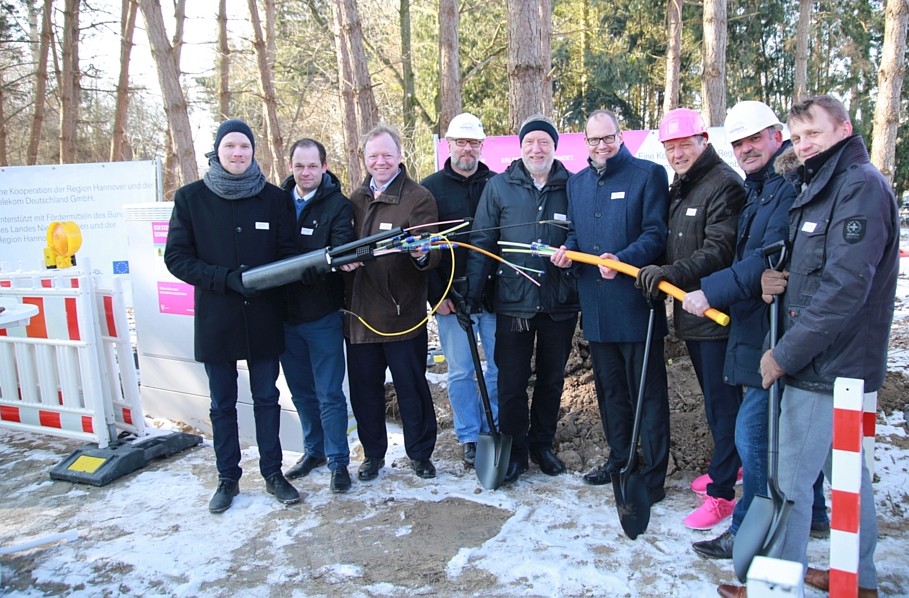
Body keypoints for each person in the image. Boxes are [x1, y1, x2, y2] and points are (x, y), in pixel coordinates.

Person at [719, 95, 898, 598]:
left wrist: (784, 354)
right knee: (845, 475)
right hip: (829, 358)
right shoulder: (826, 184)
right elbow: (824, 270)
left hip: (827, 363)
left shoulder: (859, 187)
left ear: (843, 128)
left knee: (788, 479)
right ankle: (854, 579)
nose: (804, 144)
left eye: (813, 133)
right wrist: (785, 277)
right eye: (797, 138)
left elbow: (845, 288)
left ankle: (774, 583)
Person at [164, 119, 301, 513]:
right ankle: (228, 478)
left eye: (244, 146)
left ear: (253, 151)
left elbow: (288, 253)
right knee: (222, 403)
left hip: (263, 317)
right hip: (217, 318)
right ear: (217, 151)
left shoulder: (275, 200)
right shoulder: (191, 199)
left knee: (266, 397)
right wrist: (225, 279)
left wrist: (272, 277)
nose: (237, 153)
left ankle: (274, 474)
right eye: (230, 146)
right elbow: (177, 258)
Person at [679, 101, 794, 557]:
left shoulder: (784, 188)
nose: (747, 148)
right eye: (740, 142)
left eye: (755, 139)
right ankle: (817, 516)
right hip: (755, 320)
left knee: (752, 433)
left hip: (778, 329)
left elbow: (762, 257)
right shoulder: (758, 189)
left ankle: (746, 531)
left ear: (776, 136)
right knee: (771, 429)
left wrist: (710, 290)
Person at [551, 109, 670, 504]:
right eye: (594, 140)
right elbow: (574, 232)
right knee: (611, 393)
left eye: (608, 138)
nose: (601, 146)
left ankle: (653, 475)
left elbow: (656, 233)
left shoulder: (647, 176)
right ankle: (620, 460)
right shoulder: (579, 183)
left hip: (637, 307)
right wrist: (569, 252)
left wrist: (622, 260)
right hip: (597, 310)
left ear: (621, 137)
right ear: (584, 142)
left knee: (647, 395)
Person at [637, 108, 745, 530]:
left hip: (715, 313)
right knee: (715, 401)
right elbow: (674, 245)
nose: (678, 153)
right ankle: (728, 465)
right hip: (693, 315)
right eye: (671, 147)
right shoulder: (683, 186)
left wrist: (668, 275)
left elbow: (718, 250)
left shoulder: (724, 186)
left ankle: (723, 490)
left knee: (723, 404)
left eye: (685, 145)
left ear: (704, 141)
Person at [465, 114, 579, 485]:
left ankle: (541, 444)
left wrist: (571, 252)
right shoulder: (499, 187)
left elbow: (583, 234)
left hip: (558, 301)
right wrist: (472, 294)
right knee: (511, 381)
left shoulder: (572, 186)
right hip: (513, 301)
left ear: (554, 147)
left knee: (551, 378)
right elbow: (482, 243)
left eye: (544, 142)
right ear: (520, 147)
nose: (536, 148)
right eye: (530, 142)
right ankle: (514, 451)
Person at [344, 124, 440, 482]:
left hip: (402, 314)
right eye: (373, 156)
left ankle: (420, 453)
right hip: (359, 316)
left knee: (410, 388)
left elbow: (431, 255)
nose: (380, 162)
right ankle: (373, 455)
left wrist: (420, 254)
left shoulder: (418, 198)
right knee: (365, 392)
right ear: (365, 159)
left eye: (387, 155)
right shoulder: (354, 200)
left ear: (399, 157)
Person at [279, 138, 356, 493]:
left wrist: (310, 264)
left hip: (322, 315)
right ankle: (314, 450)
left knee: (329, 394)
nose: (306, 172)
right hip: (284, 316)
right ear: (290, 166)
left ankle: (339, 461)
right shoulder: (277, 203)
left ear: (324, 167)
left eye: (312, 166)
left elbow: (338, 253)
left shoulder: (338, 206)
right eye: (299, 166)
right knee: (300, 391)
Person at [420, 113, 498, 467]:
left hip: (495, 295)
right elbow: (423, 250)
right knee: (461, 371)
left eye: (473, 143)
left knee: (497, 369)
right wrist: (438, 296)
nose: (467, 149)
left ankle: (492, 429)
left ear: (482, 146)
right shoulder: (430, 189)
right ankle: (468, 435)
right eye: (460, 142)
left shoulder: (497, 184)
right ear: (448, 145)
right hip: (451, 298)